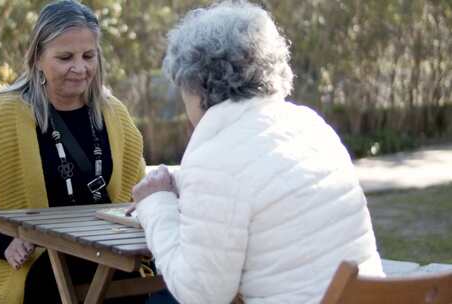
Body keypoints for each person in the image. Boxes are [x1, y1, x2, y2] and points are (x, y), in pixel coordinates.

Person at [131, 1, 384, 303]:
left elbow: (200, 293)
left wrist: (156, 204)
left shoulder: (216, 155)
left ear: (197, 85)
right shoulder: (311, 125)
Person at [0, 1, 146, 303]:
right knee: (54, 285)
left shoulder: (113, 114)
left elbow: (136, 194)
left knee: (140, 280)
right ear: (37, 57)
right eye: (65, 57)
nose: (80, 68)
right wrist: (3, 240)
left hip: (106, 255)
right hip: (28, 262)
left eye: (89, 56)